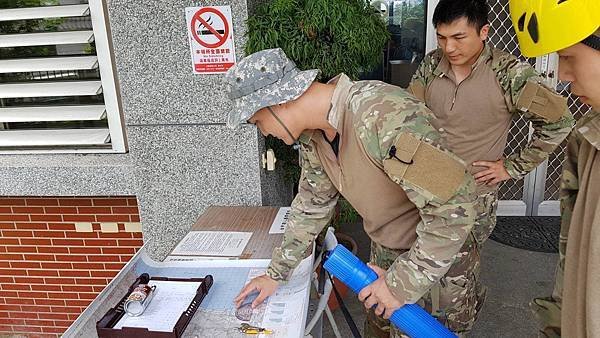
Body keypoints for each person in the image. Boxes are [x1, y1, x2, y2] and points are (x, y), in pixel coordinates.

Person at [225, 48, 479, 337]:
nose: (264, 132)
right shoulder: (314, 136)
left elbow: (454, 209)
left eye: (258, 121)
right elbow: (312, 204)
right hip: (386, 257)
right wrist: (276, 274)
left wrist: (399, 284)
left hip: (436, 267)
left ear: (276, 102)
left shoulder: (381, 114)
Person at [408, 0, 574, 252]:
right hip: (423, 188)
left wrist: (512, 167)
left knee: (457, 282)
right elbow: (410, 111)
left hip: (471, 197)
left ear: (483, 32)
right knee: (415, 272)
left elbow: (560, 122)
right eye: (441, 38)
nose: (448, 47)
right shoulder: (432, 63)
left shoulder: (509, 73)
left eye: (458, 37)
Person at [508, 0, 600, 336]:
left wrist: (511, 168)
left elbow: (554, 122)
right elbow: (571, 255)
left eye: (568, 57)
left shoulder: (508, 72)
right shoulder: (589, 139)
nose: (560, 75)